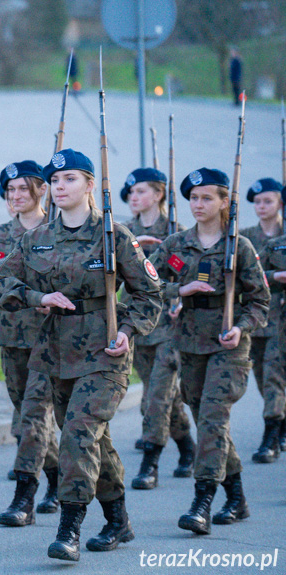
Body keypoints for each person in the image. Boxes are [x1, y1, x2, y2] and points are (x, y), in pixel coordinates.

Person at [0, 149, 161, 562]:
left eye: (70, 179)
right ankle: (118, 518)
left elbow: (149, 294)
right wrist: (35, 296)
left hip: (104, 353)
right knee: (93, 442)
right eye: (54, 181)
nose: (60, 187)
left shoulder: (114, 235)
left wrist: (126, 329)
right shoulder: (36, 238)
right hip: (55, 354)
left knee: (77, 436)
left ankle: (69, 527)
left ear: (90, 185)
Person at [149, 167, 269, 536]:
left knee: (214, 420)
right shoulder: (176, 245)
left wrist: (241, 327)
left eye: (207, 198)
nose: (198, 204)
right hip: (189, 344)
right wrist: (178, 292)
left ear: (223, 203)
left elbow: (260, 303)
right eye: (193, 198)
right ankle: (237, 497)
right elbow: (148, 285)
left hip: (227, 346)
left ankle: (202, 503)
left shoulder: (240, 248)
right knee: (207, 423)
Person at [0, 160, 61, 527]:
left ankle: (24, 498)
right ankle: (58, 475)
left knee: (33, 416)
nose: (15, 196)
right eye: (9, 190)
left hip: (52, 339)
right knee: (26, 413)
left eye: (22, 189)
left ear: (40, 190)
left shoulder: (59, 231)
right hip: (12, 337)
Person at [119, 168, 196, 488]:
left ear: (159, 194)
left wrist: (176, 292)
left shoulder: (176, 232)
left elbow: (189, 279)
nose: (134, 197)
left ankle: (150, 461)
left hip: (169, 325)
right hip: (136, 323)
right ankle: (187, 447)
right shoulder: (122, 231)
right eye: (131, 193)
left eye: (140, 191)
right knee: (162, 395)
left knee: (157, 395)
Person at [239, 177, 285, 463]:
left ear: (281, 203)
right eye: (257, 202)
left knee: (274, 377)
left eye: (268, 200)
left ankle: (270, 435)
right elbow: (245, 277)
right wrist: (275, 277)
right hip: (257, 319)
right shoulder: (245, 236)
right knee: (261, 377)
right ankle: (280, 424)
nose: (261, 206)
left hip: (281, 319)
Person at [259, 210, 286, 454]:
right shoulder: (275, 246)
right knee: (270, 376)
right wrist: (276, 276)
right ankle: (273, 431)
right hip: (276, 323)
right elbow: (253, 276)